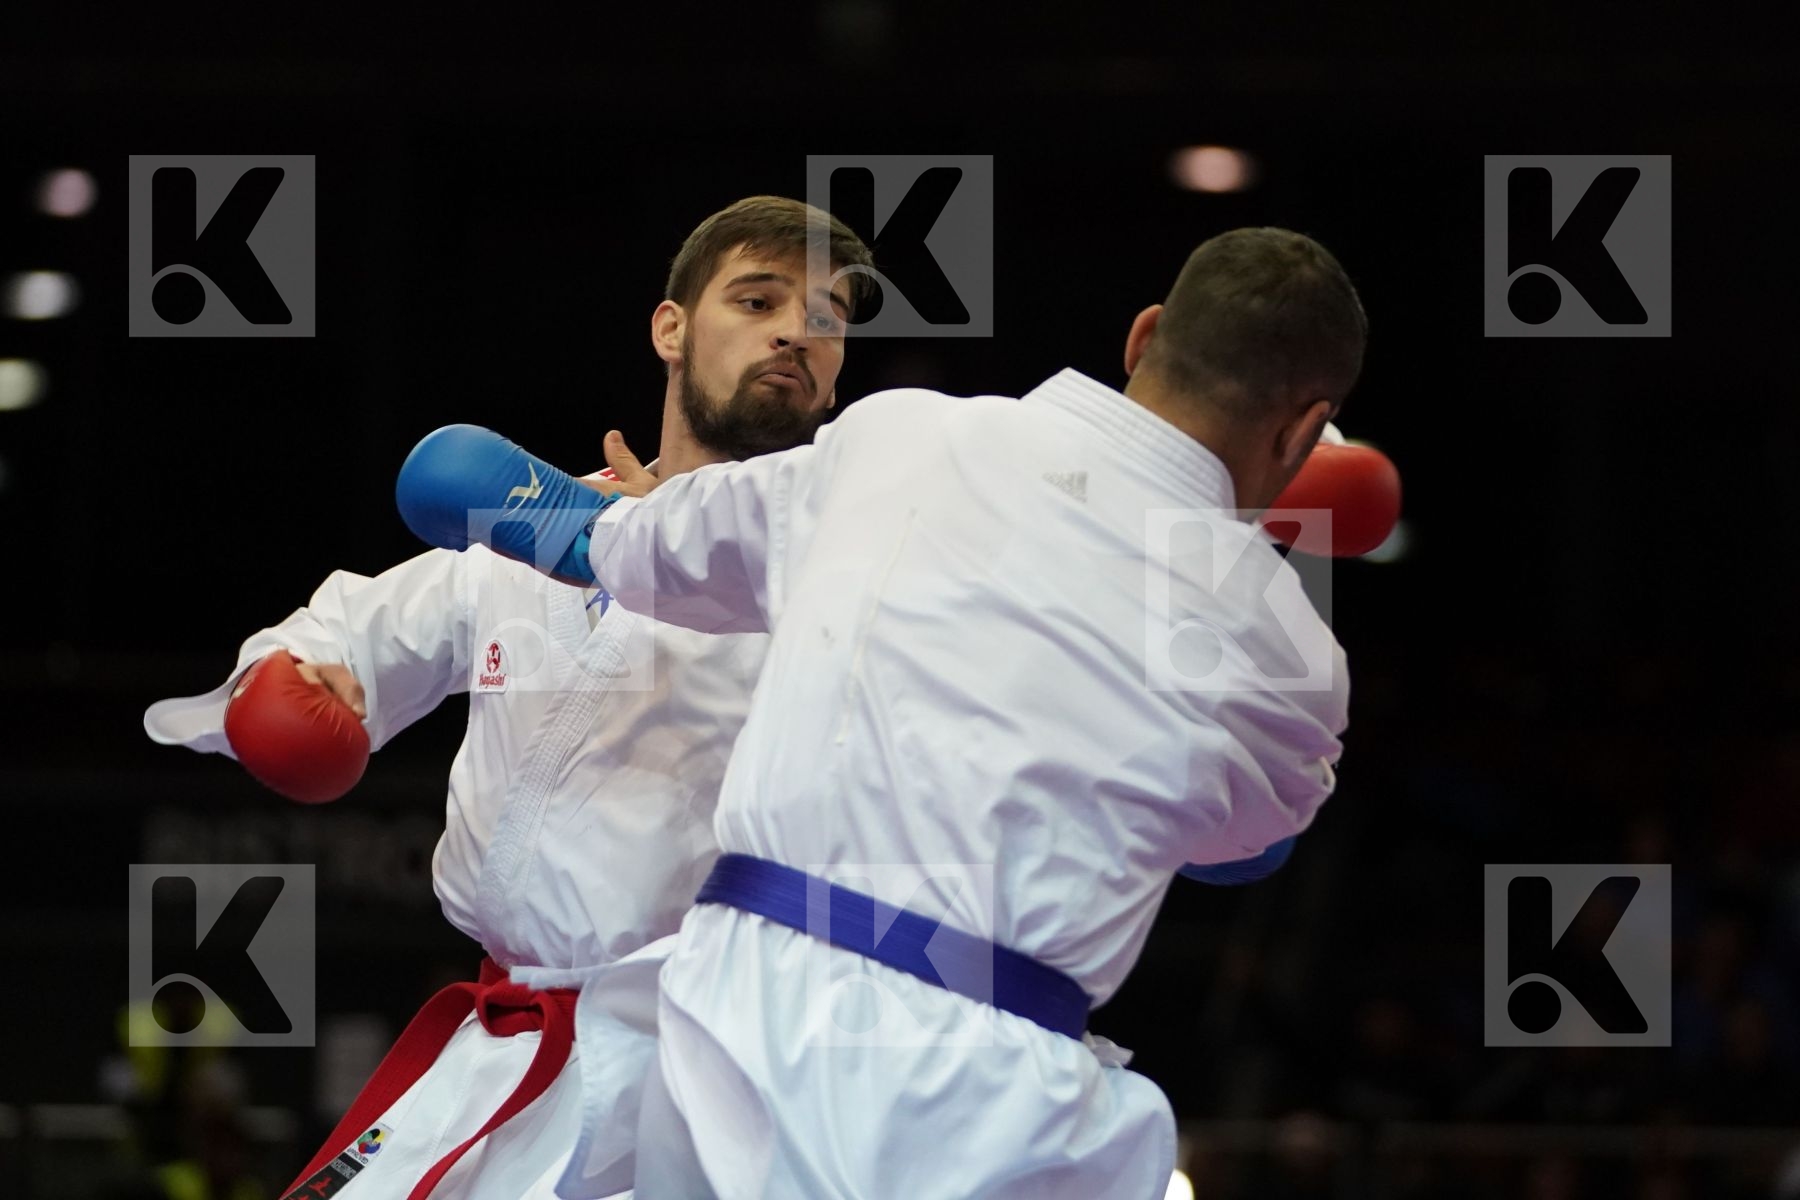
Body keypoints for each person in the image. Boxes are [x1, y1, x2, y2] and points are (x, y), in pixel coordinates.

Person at [396, 225, 1371, 1198]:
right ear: (1304, 429)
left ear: (1144, 336)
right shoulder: (1288, 651)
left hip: (736, 1018)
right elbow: (1239, 849)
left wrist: (554, 507)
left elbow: (614, 544)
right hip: (989, 1089)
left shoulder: (900, 436)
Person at [143, 195, 873, 1200]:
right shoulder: (527, 534)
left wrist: (680, 548)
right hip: (503, 1050)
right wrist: (290, 685)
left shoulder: (846, 579)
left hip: (698, 1077)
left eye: (828, 320)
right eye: (758, 300)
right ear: (671, 328)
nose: (797, 332)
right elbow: (345, 630)